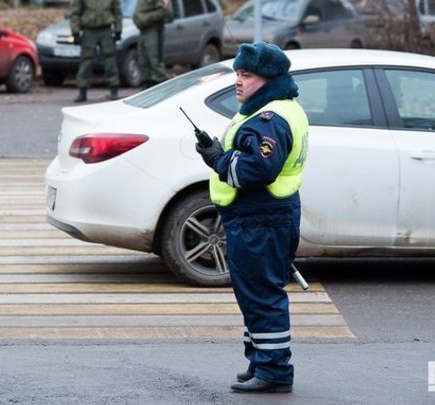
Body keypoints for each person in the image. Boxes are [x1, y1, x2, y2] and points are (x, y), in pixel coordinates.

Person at [194, 41, 309, 394]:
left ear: (269, 78)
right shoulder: (270, 110)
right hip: (263, 217)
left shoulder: (270, 119)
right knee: (254, 293)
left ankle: (274, 371)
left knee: (261, 294)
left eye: (247, 75)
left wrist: (216, 158)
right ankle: (260, 361)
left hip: (262, 218)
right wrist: (222, 152)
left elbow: (258, 170)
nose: (238, 82)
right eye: (238, 74)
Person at [69, 0, 123, 102]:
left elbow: (117, 11)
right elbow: (75, 12)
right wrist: (75, 31)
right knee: (86, 60)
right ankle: (82, 90)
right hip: (89, 29)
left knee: (110, 59)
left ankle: (114, 89)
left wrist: (118, 29)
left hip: (106, 29)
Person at [133, 0, 173, 89]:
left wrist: (165, 5)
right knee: (143, 60)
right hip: (143, 31)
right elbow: (137, 15)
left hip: (153, 31)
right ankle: (146, 83)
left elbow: (166, 12)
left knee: (154, 60)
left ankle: (160, 84)